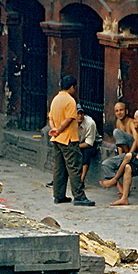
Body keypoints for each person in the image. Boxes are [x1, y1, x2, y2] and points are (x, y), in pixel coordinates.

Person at [48, 75, 94, 206]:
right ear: (72, 87)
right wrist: (60, 129)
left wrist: (54, 130)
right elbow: (69, 119)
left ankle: (58, 195)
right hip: (68, 138)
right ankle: (79, 196)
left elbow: (50, 118)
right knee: (74, 168)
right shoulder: (70, 101)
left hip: (56, 139)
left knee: (59, 168)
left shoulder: (55, 99)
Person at [100, 108, 138, 206]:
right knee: (128, 167)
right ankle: (124, 198)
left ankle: (115, 179)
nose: (134, 121)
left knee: (128, 156)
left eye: (135, 119)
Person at [76, 105, 100, 185]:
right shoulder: (71, 122)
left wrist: (75, 147)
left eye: (81, 113)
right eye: (77, 114)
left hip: (92, 143)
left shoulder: (90, 123)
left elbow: (89, 143)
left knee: (86, 152)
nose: (80, 116)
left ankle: (81, 180)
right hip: (78, 142)